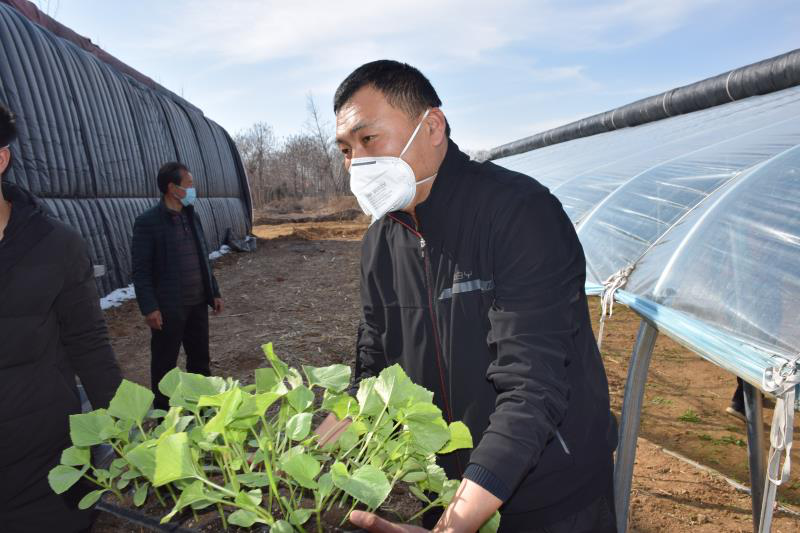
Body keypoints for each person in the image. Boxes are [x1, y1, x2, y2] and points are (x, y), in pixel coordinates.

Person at [335, 61, 618, 533]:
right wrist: (328, 432)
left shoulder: (518, 214)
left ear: (431, 127)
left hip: (548, 494)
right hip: (447, 491)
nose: (355, 163)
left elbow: (533, 384)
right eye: (345, 149)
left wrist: (458, 520)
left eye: (368, 140)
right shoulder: (379, 242)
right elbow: (376, 355)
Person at [0, 104, 123, 532]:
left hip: (43, 460)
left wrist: (127, 429)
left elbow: (89, 344)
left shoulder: (55, 246)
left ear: (1, 158)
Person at [131, 162, 223, 410]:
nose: (193, 189)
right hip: (169, 308)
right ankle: (164, 415)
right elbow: (141, 271)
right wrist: (149, 307)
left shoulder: (191, 215)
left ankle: (203, 408)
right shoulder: (148, 222)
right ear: (173, 188)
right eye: (189, 184)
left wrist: (213, 291)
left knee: (200, 361)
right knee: (164, 366)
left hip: (196, 304)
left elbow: (203, 255)